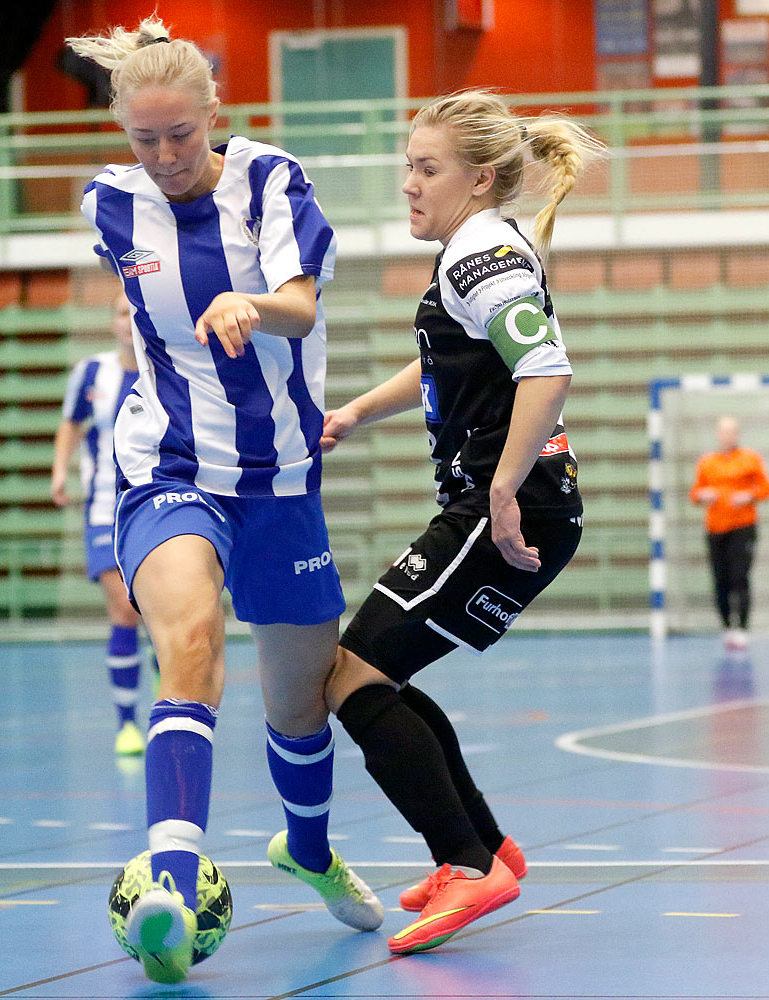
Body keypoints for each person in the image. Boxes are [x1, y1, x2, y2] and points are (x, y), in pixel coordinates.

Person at [66, 17, 381, 983]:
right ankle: (170, 879)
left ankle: (311, 850)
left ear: (216, 117)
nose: (162, 157)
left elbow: (303, 300)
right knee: (191, 640)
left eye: (180, 136)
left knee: (299, 702)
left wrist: (253, 305)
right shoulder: (108, 207)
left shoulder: (273, 182)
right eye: (142, 139)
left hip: (281, 476)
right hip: (166, 463)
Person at [319, 89, 604, 955]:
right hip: (511, 502)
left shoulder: (479, 251)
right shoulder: (476, 250)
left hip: (503, 506)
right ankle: (487, 851)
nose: (409, 183)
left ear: (480, 179)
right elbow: (450, 362)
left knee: (348, 679)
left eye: (427, 168)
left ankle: (465, 862)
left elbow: (545, 371)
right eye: (408, 164)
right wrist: (357, 412)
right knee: (377, 675)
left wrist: (505, 489)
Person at [51, 293, 149, 756]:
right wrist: (59, 471)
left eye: (134, 313)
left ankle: (171, 706)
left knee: (163, 615)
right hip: (104, 510)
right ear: (111, 322)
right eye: (120, 313)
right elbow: (71, 423)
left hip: (157, 503)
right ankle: (127, 723)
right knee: (124, 611)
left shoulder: (168, 366)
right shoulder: (91, 373)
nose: (127, 322)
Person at [689, 415, 769, 650]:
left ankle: (743, 629)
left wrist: (749, 495)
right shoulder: (707, 463)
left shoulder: (750, 460)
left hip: (743, 527)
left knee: (740, 577)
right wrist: (703, 495)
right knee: (720, 579)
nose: (727, 437)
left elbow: (766, 488)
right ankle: (727, 627)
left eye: (731, 432)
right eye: (723, 432)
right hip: (716, 529)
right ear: (718, 435)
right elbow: (695, 493)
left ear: (737, 435)